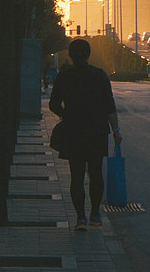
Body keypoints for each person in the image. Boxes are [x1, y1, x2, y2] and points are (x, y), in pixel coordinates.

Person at [48, 38, 121, 231]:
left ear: (70, 55)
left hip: (74, 132)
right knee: (96, 174)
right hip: (97, 132)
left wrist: (68, 115)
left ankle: (80, 217)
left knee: (77, 175)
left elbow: (53, 104)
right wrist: (116, 130)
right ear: (88, 55)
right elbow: (109, 105)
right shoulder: (99, 76)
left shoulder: (64, 77)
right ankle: (95, 214)